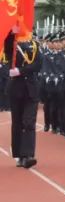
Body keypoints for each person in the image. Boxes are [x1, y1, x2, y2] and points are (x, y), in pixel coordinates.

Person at [5, 25, 42, 169]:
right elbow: (7, 49)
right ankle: (19, 155)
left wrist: (21, 70)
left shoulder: (35, 46)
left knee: (29, 122)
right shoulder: (13, 45)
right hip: (16, 89)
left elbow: (38, 64)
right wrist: (10, 34)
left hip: (31, 89)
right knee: (17, 123)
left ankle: (28, 155)